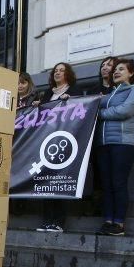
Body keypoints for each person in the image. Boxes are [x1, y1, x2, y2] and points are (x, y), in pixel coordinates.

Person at [96, 59, 134, 236]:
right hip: (104, 143)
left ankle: (119, 223)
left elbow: (125, 111)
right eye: (115, 69)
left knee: (118, 182)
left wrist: (100, 114)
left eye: (121, 69)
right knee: (107, 184)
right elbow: (92, 105)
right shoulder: (110, 94)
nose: (116, 72)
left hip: (124, 143)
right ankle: (108, 221)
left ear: (131, 73)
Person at [36, 63, 82, 233]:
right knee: (45, 181)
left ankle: (58, 221)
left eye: (61, 70)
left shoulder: (74, 90)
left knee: (60, 181)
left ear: (68, 73)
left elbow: (80, 108)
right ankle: (47, 220)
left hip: (65, 140)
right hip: (47, 141)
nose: (58, 73)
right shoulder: (49, 93)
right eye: (55, 70)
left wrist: (70, 101)